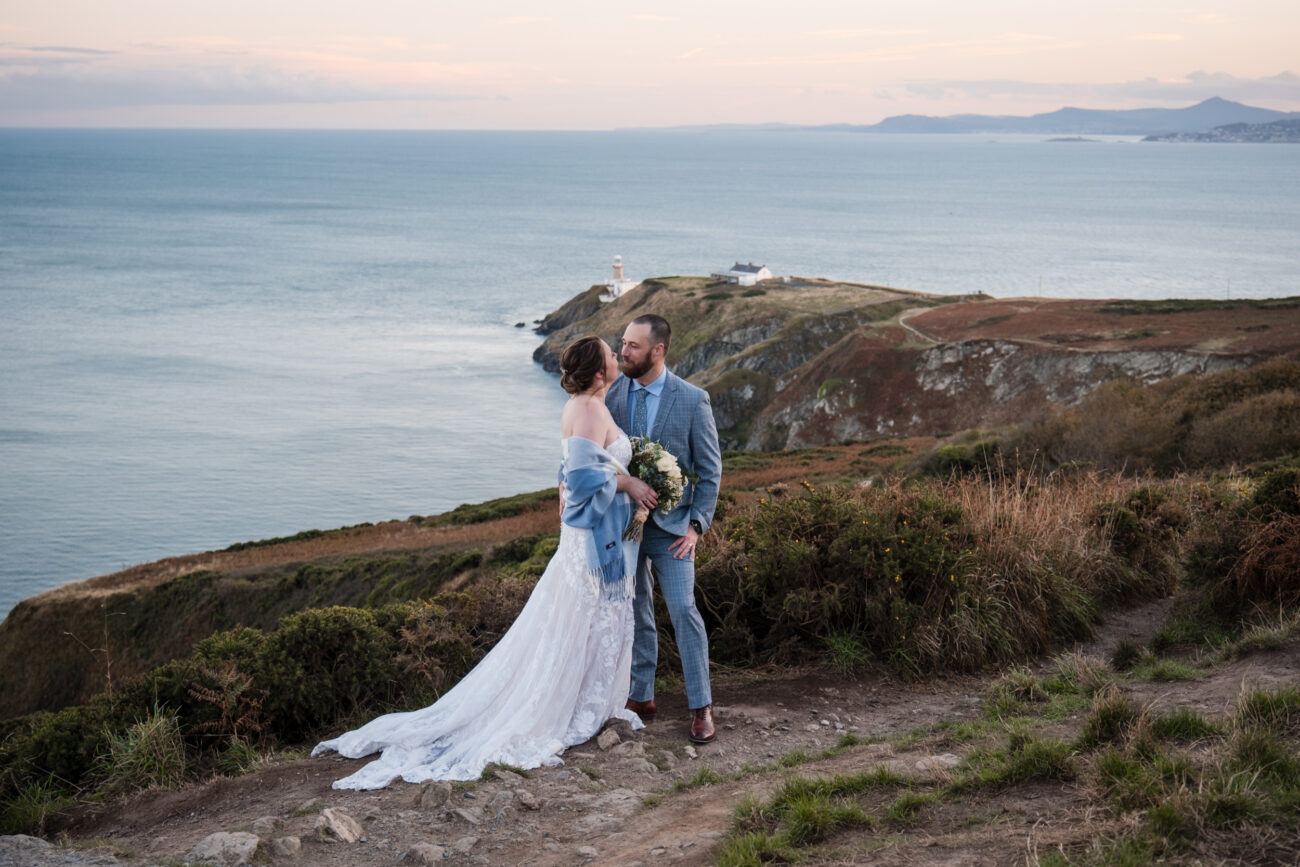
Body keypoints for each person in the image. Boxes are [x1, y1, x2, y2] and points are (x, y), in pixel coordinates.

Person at [312, 336, 658, 788]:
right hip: (591, 542)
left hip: (592, 538)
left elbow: (572, 468)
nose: (617, 356)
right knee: (581, 618)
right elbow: (581, 480)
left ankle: (587, 704)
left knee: (583, 619)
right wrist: (629, 485)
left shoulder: (589, 405)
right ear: (599, 372)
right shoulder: (590, 410)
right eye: (611, 354)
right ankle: (573, 710)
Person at [606, 314, 723, 743]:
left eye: (633, 346)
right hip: (625, 528)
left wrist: (696, 527)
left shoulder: (693, 400)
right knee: (636, 613)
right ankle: (642, 695)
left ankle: (701, 705)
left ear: (658, 350)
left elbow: (710, 472)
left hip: (674, 531)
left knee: (683, 611)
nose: (624, 352)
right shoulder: (612, 395)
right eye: (623, 343)